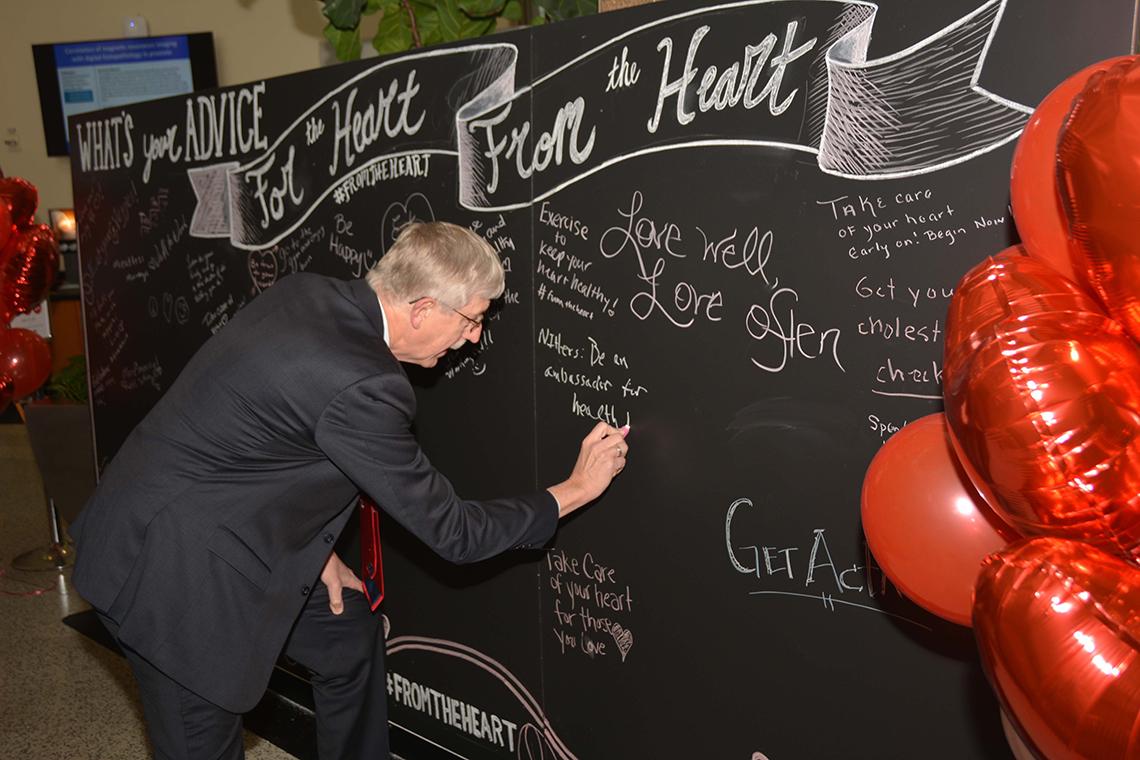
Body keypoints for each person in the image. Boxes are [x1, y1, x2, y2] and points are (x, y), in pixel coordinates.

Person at [70, 221, 629, 760]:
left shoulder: (307, 293)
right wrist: (576, 489)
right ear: (422, 309)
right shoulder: (364, 384)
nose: (474, 337)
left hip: (194, 521)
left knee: (347, 637)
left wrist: (317, 554)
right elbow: (455, 533)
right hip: (175, 580)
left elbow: (265, 439)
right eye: (471, 320)